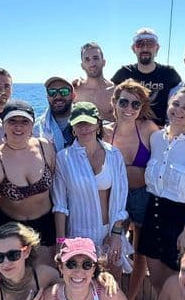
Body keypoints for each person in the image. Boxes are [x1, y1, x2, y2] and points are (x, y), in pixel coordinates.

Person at [138, 87, 185, 296]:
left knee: (179, 287)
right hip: (152, 216)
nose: (179, 111)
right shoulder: (155, 139)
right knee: (156, 281)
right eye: (176, 104)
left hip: (180, 223)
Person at [0, 99, 56, 275]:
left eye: (24, 121)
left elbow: (60, 192)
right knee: (14, 285)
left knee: (46, 276)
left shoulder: (46, 148)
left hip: (46, 225)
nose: (18, 126)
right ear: (3, 124)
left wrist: (62, 235)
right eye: (12, 120)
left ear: (32, 124)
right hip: (10, 228)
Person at [52, 102, 130, 279]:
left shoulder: (114, 155)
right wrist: (61, 242)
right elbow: (60, 205)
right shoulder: (63, 158)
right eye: (78, 123)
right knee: (82, 287)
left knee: (112, 288)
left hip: (110, 234)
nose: (84, 127)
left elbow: (121, 197)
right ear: (72, 126)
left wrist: (116, 234)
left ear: (98, 123)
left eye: (88, 122)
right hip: (78, 236)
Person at [103, 80, 159, 300]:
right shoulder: (105, 132)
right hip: (117, 197)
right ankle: (112, 299)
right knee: (113, 249)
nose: (129, 108)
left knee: (140, 253)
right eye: (124, 101)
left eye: (136, 104)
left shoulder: (148, 129)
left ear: (141, 107)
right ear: (114, 102)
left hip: (143, 195)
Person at [111, 28, 181, 126]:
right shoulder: (124, 73)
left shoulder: (169, 74)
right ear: (133, 48)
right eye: (139, 44)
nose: (145, 48)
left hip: (160, 133)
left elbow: (182, 99)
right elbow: (107, 93)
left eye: (150, 44)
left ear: (157, 48)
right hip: (131, 133)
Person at [73, 42, 115, 121]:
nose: (92, 63)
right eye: (87, 60)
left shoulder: (115, 91)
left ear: (103, 62)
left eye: (95, 58)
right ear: (82, 66)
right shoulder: (75, 91)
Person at [34, 76, 76, 151]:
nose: (58, 96)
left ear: (73, 96)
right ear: (47, 97)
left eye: (64, 91)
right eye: (52, 92)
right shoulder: (37, 128)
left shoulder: (85, 122)